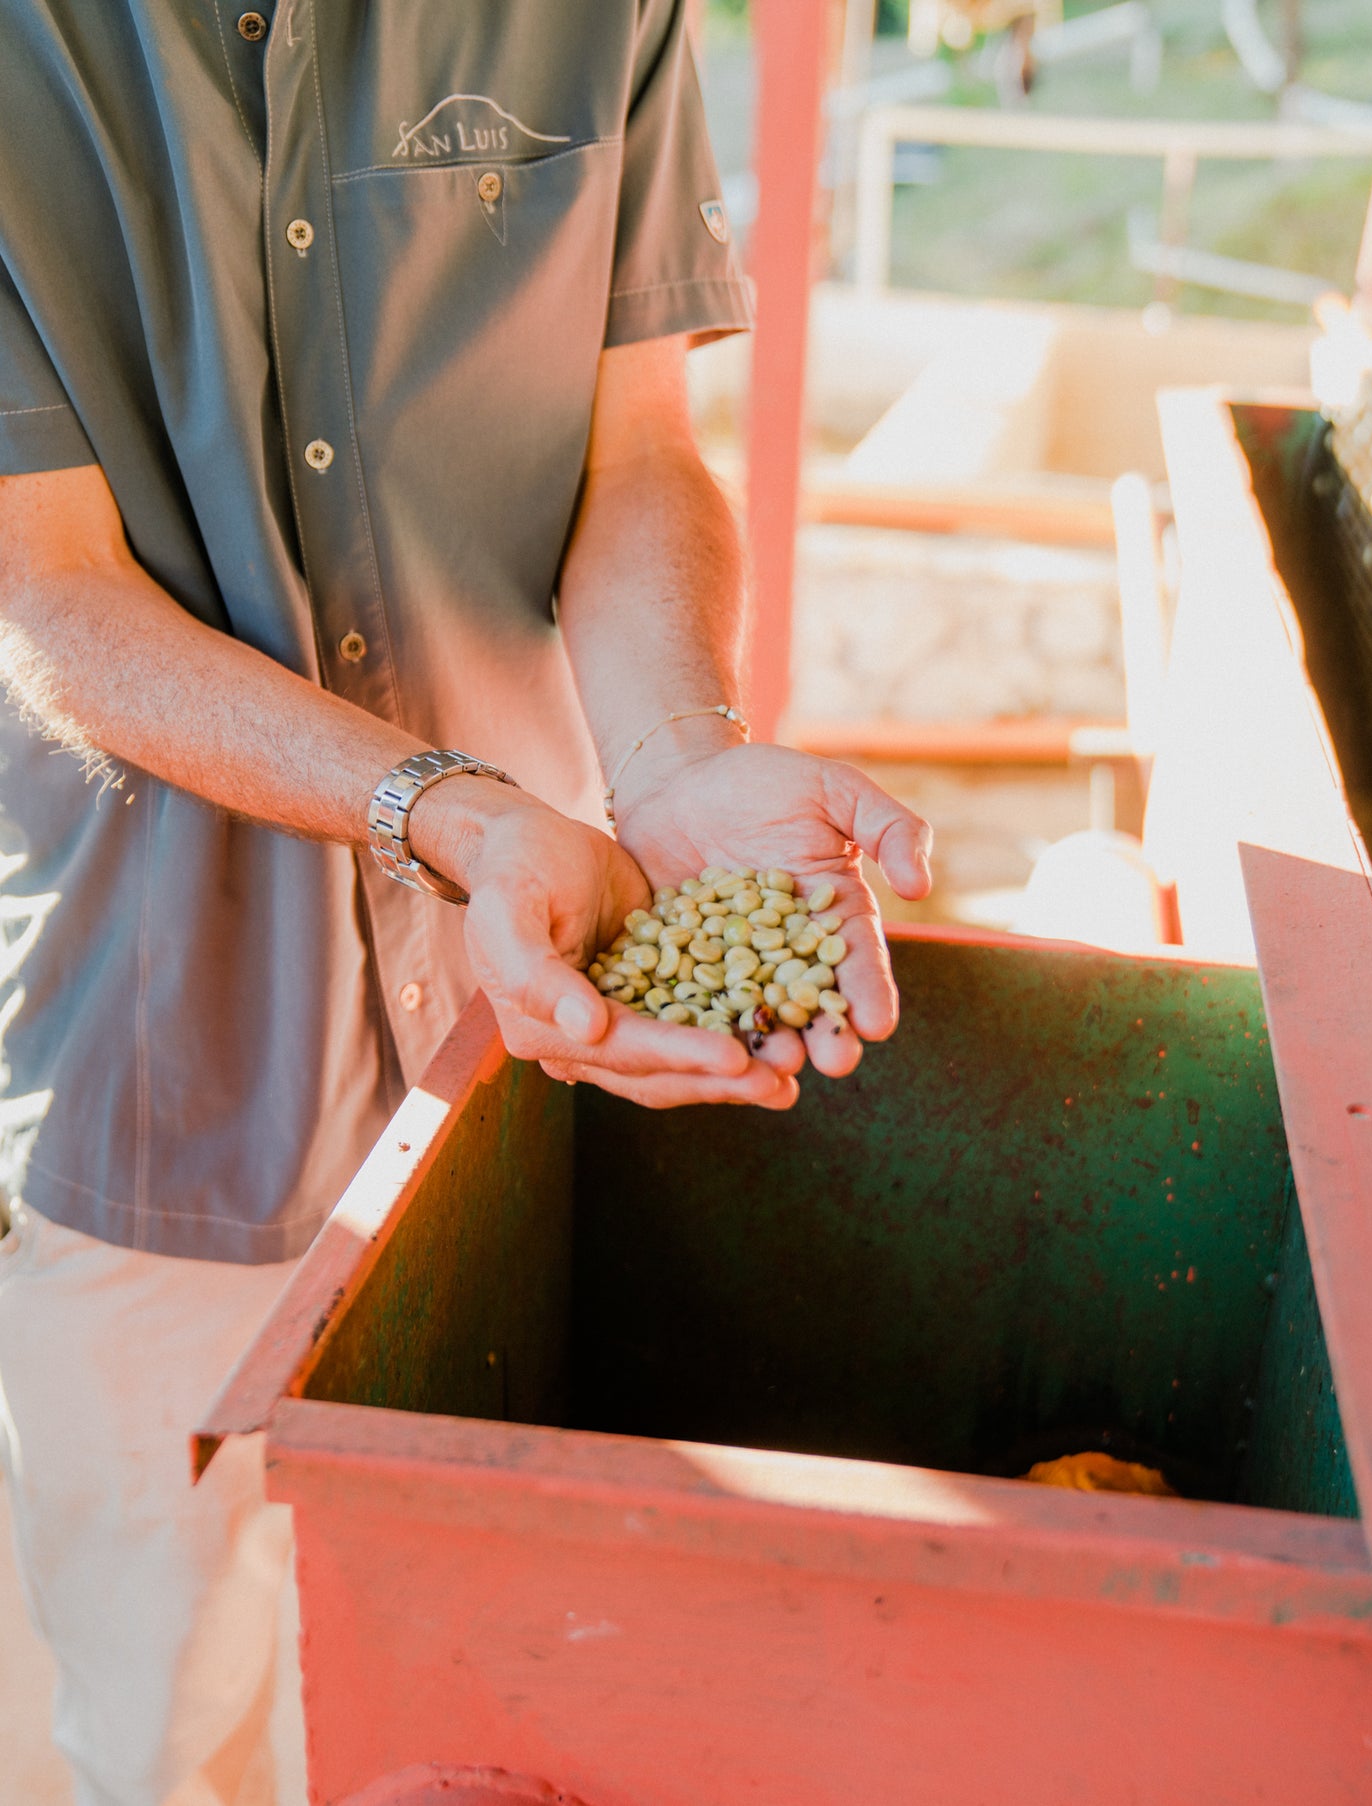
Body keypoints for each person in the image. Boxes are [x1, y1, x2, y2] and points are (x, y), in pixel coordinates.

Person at [0, 2, 933, 1801]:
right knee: (173, 1708)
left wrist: (668, 760)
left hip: (523, 1005)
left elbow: (636, 447)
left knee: (470, 1675)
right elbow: (45, 592)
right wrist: (454, 812)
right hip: (148, 1037)